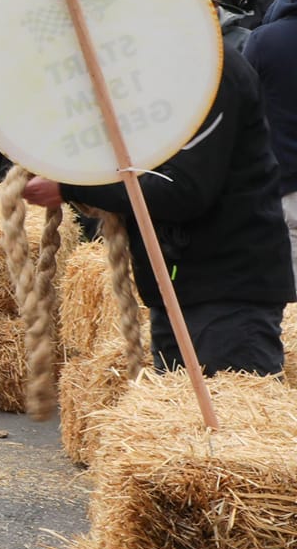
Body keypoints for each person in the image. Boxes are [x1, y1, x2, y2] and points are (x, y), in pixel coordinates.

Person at [24, 39, 294, 375]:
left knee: (222, 418)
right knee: (178, 417)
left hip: (226, 289)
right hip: (182, 281)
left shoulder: (210, 70)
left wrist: (72, 185)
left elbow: (183, 189)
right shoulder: (168, 70)